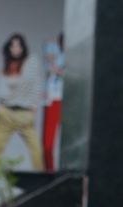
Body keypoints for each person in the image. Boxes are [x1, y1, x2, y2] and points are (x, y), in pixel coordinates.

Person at [0, 33, 45, 189]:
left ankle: (42, 186)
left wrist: (33, 104)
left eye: (19, 46)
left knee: (37, 152)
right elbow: (2, 89)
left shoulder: (31, 61)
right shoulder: (6, 65)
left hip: (24, 113)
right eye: (13, 46)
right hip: (6, 113)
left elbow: (35, 82)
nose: (16, 49)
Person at [43, 32, 66, 171]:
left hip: (69, 101)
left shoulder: (77, 55)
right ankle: (50, 171)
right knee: (47, 144)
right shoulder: (54, 52)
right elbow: (48, 49)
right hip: (53, 99)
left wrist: (58, 69)